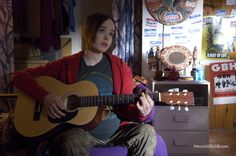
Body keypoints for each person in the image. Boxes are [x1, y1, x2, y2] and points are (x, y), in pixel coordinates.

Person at [12, 13, 157, 156]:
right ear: (89, 31)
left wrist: (142, 113)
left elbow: (127, 109)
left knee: (147, 132)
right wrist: (46, 97)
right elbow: (19, 77)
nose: (107, 37)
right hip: (81, 134)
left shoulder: (120, 67)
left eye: (111, 33)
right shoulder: (66, 64)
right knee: (70, 139)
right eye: (102, 30)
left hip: (115, 133)